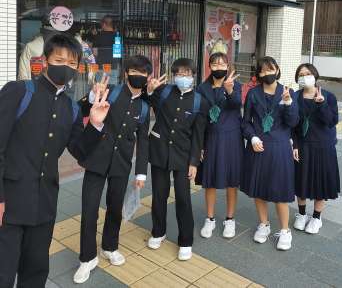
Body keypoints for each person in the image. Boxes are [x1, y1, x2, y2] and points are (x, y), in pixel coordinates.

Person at [0, 34, 110, 288]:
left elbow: (81, 152)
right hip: (8, 204)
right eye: (59, 60)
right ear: (44, 61)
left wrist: (95, 124)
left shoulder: (71, 108)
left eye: (72, 63)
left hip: (44, 205)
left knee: (36, 272)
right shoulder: (18, 91)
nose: (65, 67)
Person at [73, 55, 152, 284]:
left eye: (143, 73)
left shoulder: (144, 107)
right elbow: (81, 109)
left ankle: (110, 246)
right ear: (126, 73)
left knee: (115, 208)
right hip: (96, 159)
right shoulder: (112, 92)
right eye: (134, 71)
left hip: (121, 163)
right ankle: (87, 258)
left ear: (148, 77)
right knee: (89, 210)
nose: (138, 76)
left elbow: (143, 141)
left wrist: (140, 173)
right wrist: (92, 97)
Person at [146, 58, 209, 261]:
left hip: (183, 155)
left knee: (183, 197)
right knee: (159, 194)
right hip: (159, 151)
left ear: (193, 76)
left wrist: (194, 162)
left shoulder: (199, 101)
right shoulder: (164, 91)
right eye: (179, 74)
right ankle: (158, 232)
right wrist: (150, 90)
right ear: (174, 75)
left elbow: (198, 135)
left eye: (186, 73)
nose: (183, 77)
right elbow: (148, 101)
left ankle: (185, 240)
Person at [241, 56, 299, 251]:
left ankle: (285, 231)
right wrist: (252, 138)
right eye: (263, 70)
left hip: (280, 148)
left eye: (270, 69)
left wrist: (288, 103)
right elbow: (246, 122)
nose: (267, 73)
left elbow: (293, 122)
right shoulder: (253, 93)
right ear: (258, 74)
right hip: (258, 147)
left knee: (280, 192)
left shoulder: (287, 92)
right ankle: (264, 224)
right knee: (258, 190)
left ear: (277, 70)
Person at [197, 52, 242, 239]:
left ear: (227, 66)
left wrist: (230, 90)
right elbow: (199, 118)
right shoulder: (202, 88)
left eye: (222, 64)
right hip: (211, 138)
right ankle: (210, 218)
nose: (218, 67)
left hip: (232, 138)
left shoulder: (235, 85)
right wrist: (199, 145)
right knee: (210, 181)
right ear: (209, 66)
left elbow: (237, 104)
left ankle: (230, 219)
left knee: (232, 181)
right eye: (215, 64)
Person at [292, 63, 340, 235]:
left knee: (321, 181)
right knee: (301, 180)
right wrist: (294, 145)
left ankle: (317, 217)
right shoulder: (295, 97)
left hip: (323, 145)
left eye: (308, 73)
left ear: (315, 75)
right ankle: (301, 214)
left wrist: (322, 104)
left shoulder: (328, 96)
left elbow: (331, 121)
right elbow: (292, 125)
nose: (304, 77)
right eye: (301, 74)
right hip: (303, 144)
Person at [92, 16, 118, 84]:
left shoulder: (98, 36)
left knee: (100, 87)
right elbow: (118, 54)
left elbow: (95, 53)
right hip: (113, 67)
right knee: (112, 87)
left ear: (104, 24)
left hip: (101, 67)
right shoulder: (117, 36)